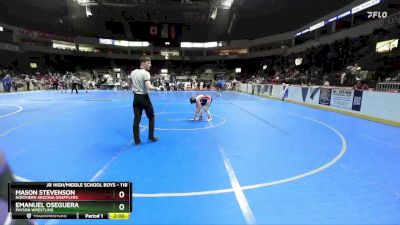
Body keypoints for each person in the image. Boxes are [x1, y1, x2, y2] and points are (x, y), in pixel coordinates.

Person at [131, 56, 158, 145]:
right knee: (151, 117)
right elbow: (149, 87)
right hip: (144, 98)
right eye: (148, 63)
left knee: (136, 119)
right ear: (143, 63)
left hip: (136, 98)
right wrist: (157, 88)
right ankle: (151, 137)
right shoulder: (146, 73)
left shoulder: (133, 72)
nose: (150, 65)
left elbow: (131, 83)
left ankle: (137, 141)